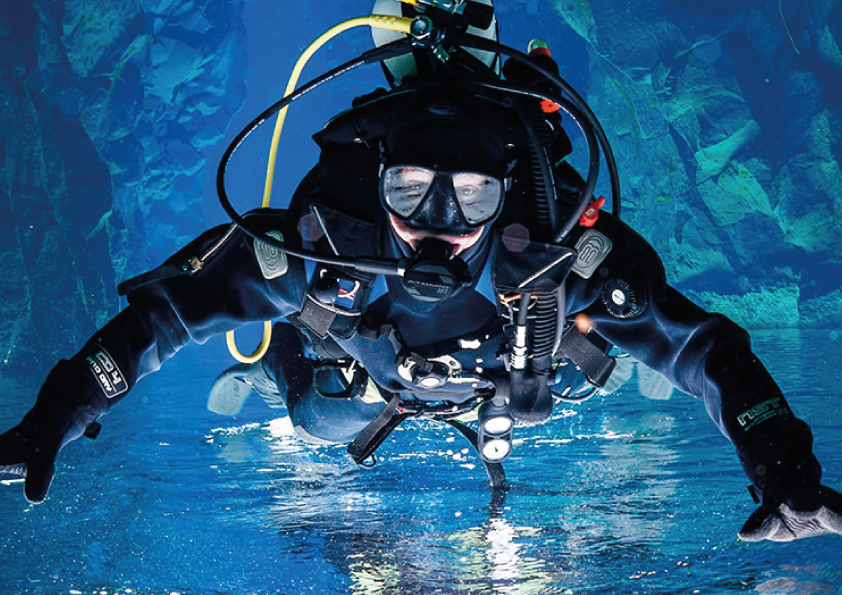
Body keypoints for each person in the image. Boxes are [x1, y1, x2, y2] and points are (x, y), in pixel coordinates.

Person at [1, 1, 840, 545]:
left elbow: (705, 350)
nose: (437, 222)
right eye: (410, 189)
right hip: (357, 387)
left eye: (471, 196)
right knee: (315, 419)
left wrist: (781, 465)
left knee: (561, 384)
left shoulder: (557, 257)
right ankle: (276, 371)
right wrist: (58, 412)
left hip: (510, 388)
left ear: (508, 194)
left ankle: (601, 367)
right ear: (376, 182)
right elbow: (162, 319)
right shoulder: (323, 244)